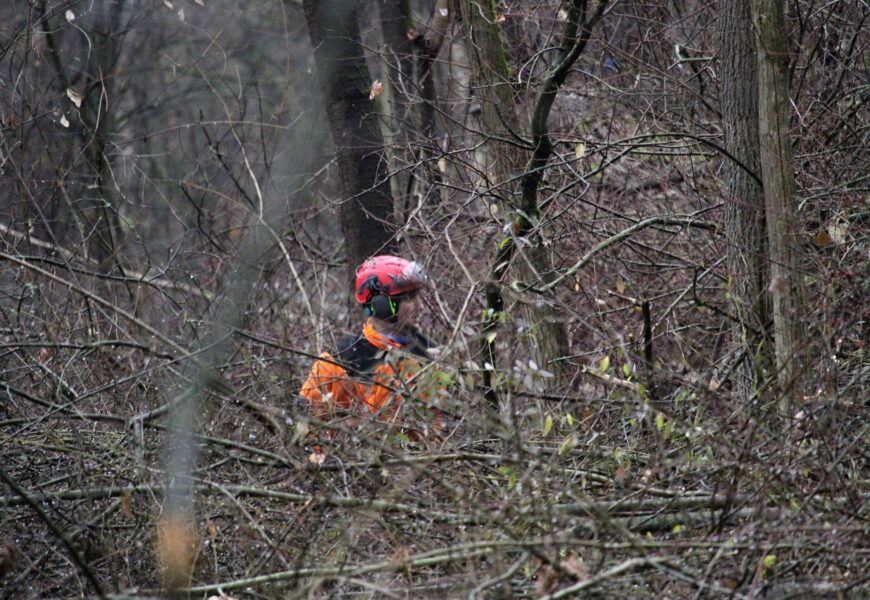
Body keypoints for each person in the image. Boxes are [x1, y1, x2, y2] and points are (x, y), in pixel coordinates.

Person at [299, 255, 438, 426]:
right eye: (409, 298)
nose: (421, 306)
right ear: (382, 304)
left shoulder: (430, 353)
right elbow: (306, 428)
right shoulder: (338, 363)